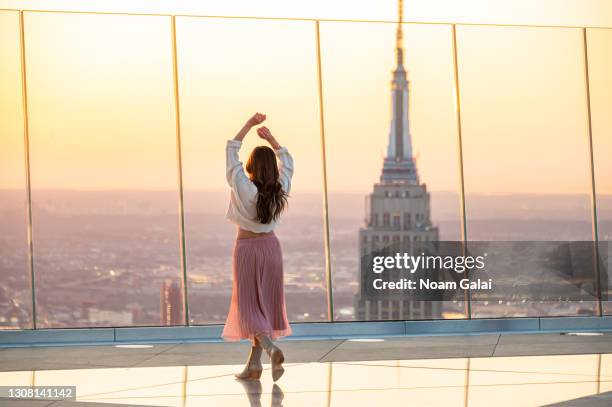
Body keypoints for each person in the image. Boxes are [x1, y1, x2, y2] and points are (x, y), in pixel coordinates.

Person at [221, 112, 294, 382]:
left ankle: (270, 347)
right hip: (272, 250)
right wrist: (272, 139)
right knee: (266, 305)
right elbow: (288, 162)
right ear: (273, 169)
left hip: (247, 249)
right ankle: (253, 366)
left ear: (251, 166)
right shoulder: (280, 188)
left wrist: (249, 125)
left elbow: (231, 151)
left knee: (249, 306)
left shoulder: (244, 187)